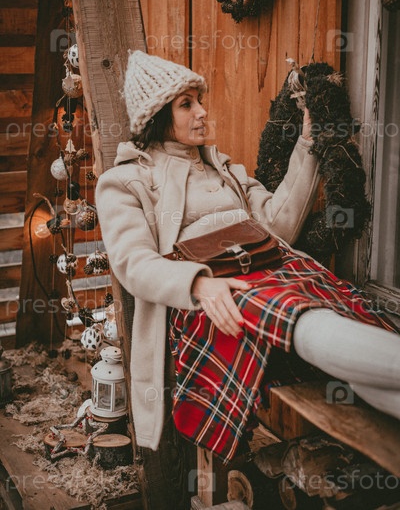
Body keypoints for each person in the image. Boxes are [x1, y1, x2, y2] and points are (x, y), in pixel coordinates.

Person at [95, 50, 400, 464]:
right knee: (307, 320)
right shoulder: (125, 181)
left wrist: (307, 142)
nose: (202, 112)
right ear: (157, 116)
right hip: (218, 293)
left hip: (280, 266)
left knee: (353, 317)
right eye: (186, 104)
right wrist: (200, 284)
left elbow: (279, 225)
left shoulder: (224, 170)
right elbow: (132, 263)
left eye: (199, 100)